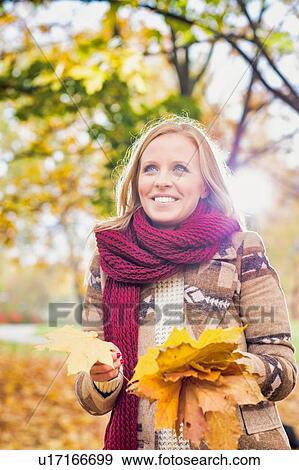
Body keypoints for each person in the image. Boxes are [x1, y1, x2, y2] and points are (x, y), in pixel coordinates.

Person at [74, 115, 297, 450]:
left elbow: (285, 371)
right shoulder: (109, 260)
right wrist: (101, 377)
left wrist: (236, 366)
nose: (162, 180)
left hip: (235, 449)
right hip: (146, 450)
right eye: (150, 169)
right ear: (137, 180)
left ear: (204, 184)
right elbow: (92, 399)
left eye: (180, 168)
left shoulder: (241, 249)